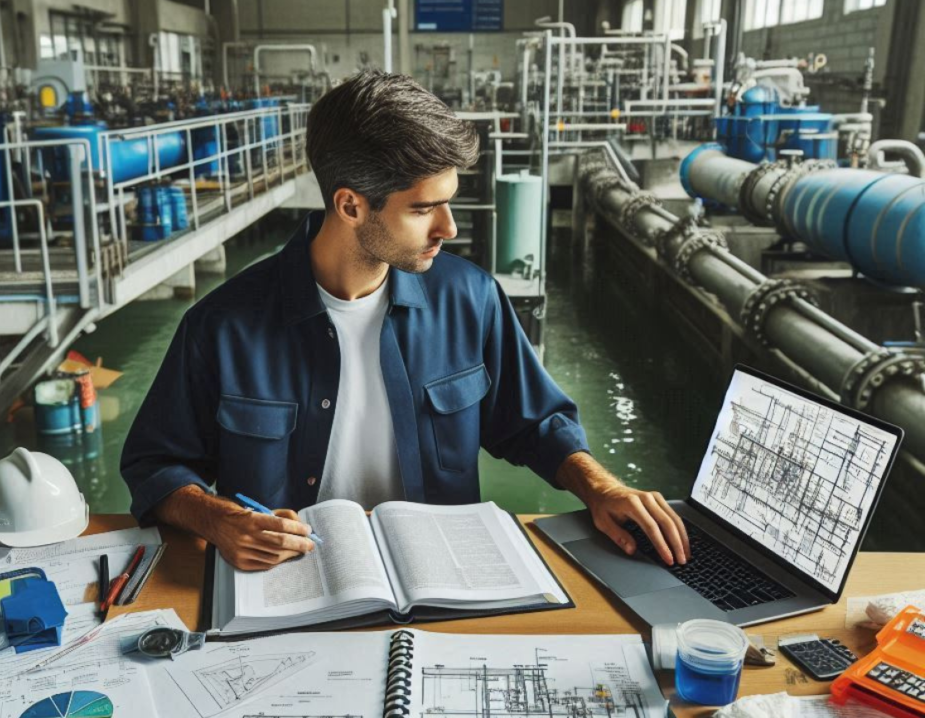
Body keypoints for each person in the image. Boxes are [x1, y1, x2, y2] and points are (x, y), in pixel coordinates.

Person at [121, 70, 691, 572]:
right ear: (350, 205)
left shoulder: (472, 300)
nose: (449, 228)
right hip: (285, 589)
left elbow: (535, 424)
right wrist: (217, 519)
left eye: (448, 202)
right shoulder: (221, 326)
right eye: (422, 209)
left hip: (439, 586)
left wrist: (600, 487)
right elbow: (156, 464)